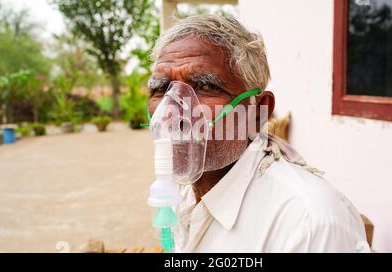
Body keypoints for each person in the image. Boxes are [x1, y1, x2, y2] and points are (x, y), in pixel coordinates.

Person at [147, 15, 369, 253]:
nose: (171, 113)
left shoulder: (309, 224)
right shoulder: (185, 192)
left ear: (258, 112)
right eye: (161, 88)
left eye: (206, 87)